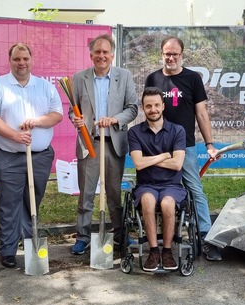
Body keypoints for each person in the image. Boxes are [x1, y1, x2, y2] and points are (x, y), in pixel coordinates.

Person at [0, 43, 63, 268]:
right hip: (8, 156)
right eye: (17, 59)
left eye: (25, 58)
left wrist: (36, 122)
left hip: (40, 156)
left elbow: (57, 115)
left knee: (32, 201)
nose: (21, 63)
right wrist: (15, 136)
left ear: (31, 60)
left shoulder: (45, 87)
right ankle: (8, 249)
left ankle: (30, 245)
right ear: (10, 61)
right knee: (9, 203)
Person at [144, 36, 222, 261]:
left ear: (182, 55)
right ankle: (155, 238)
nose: (171, 57)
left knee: (195, 190)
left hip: (185, 147)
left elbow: (201, 114)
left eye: (175, 54)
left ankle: (206, 237)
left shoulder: (192, 78)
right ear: (161, 54)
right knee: (154, 189)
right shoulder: (153, 78)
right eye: (167, 53)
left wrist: (209, 145)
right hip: (157, 147)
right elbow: (149, 111)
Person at [70, 34, 139, 255]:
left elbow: (132, 108)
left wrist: (115, 119)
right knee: (86, 194)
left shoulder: (124, 76)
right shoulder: (79, 78)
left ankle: (120, 235)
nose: (101, 56)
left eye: (105, 52)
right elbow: (74, 109)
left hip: (114, 143)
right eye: (97, 52)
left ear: (112, 55)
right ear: (91, 55)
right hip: (89, 143)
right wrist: (76, 119)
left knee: (113, 195)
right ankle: (83, 237)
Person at [127, 87, 186, 271]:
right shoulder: (135, 132)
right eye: (148, 106)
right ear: (143, 108)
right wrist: (164, 155)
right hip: (146, 185)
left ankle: (167, 251)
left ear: (163, 106)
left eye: (156, 105)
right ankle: (153, 251)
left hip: (172, 185)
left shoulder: (177, 130)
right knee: (147, 200)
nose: (153, 109)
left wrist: (149, 160)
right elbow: (138, 164)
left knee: (168, 204)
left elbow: (177, 165)